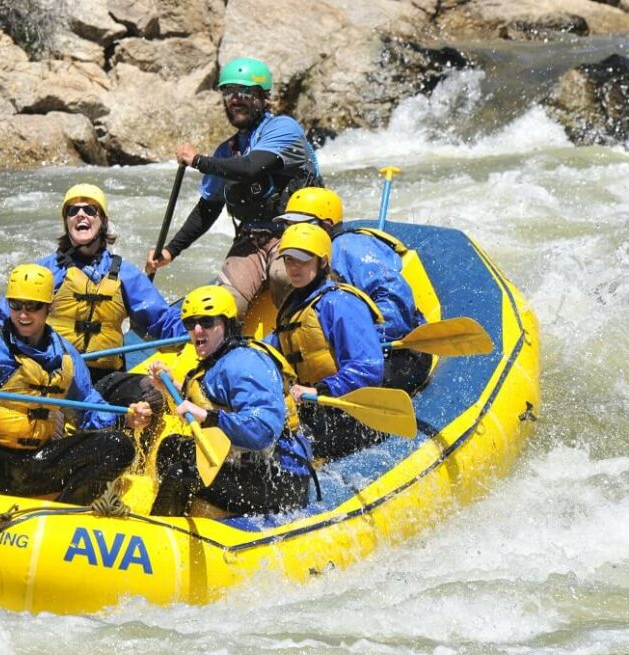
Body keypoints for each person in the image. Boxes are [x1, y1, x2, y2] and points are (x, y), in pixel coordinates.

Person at [0, 264, 152, 503]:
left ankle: (63, 514)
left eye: (33, 306)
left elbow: (88, 407)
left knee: (119, 445)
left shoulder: (65, 355)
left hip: (35, 462)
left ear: (49, 308)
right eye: (16, 305)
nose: (23, 314)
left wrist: (125, 418)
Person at [144, 56, 323, 318]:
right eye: (229, 93)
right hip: (251, 239)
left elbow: (251, 166)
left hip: (295, 232)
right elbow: (208, 208)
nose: (235, 99)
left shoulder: (283, 128)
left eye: (245, 92)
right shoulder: (225, 151)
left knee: (282, 277)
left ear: (262, 98)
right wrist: (171, 250)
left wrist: (198, 161)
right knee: (224, 307)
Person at [0, 183, 185, 408]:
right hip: (51, 374)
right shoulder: (44, 273)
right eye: (73, 211)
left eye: (90, 210)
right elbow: (1, 323)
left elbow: (162, 321)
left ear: (102, 220)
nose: (81, 214)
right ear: (67, 222)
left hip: (103, 379)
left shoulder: (125, 274)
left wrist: (201, 331)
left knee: (150, 395)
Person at [148, 285, 312, 517]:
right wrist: (168, 387)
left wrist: (207, 417)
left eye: (207, 322)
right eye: (190, 324)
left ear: (226, 324)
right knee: (171, 449)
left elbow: (263, 430)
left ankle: (162, 534)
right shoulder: (219, 360)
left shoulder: (245, 364)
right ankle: (189, 515)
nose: (197, 330)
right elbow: (208, 401)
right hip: (249, 466)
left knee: (182, 473)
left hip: (282, 480)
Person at [274, 187, 431, 393]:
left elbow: (396, 302)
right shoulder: (307, 272)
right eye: (288, 225)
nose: (292, 231)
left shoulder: (348, 247)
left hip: (399, 355)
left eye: (300, 224)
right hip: (351, 349)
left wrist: (352, 337)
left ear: (326, 224)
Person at [263, 223, 387, 459]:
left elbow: (368, 368)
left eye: (302, 260)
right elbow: (270, 349)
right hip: (313, 408)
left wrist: (321, 389)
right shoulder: (293, 307)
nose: (294, 267)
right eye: (288, 260)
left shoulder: (340, 303)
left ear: (322, 262)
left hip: (345, 412)